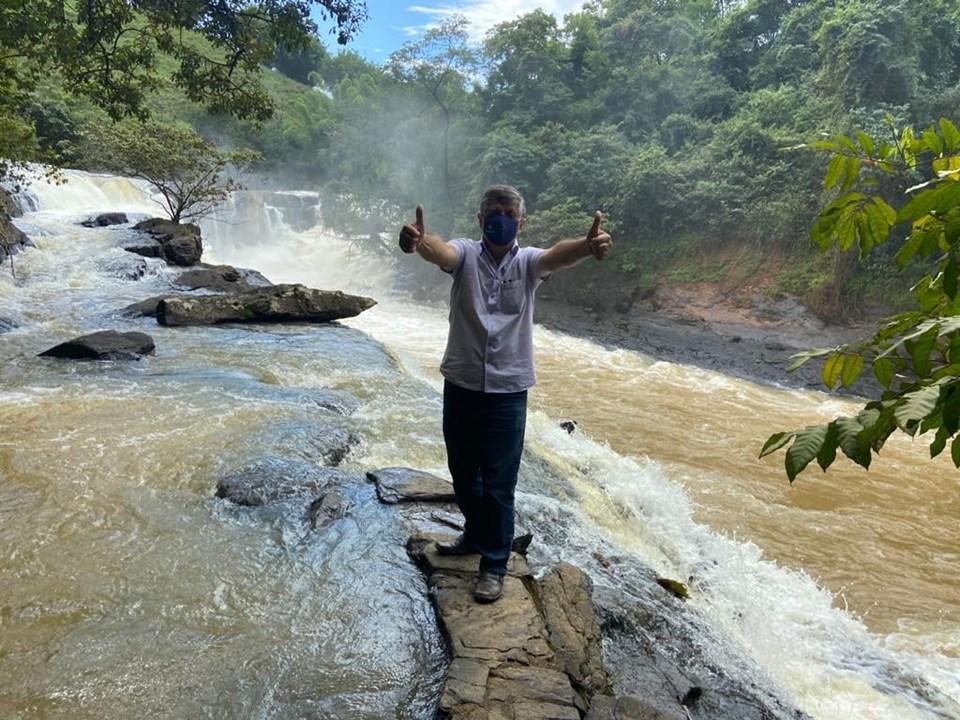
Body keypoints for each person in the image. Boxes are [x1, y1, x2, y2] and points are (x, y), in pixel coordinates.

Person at [398, 184, 612, 602]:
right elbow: (442, 252)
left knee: (499, 482)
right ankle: (476, 536)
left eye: (508, 212)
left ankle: (494, 564)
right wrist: (422, 243)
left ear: (521, 221)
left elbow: (557, 255)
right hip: (461, 381)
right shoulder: (465, 255)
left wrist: (587, 247)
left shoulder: (530, 264)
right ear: (480, 221)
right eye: (493, 212)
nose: (501, 218)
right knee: (463, 473)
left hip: (508, 389)